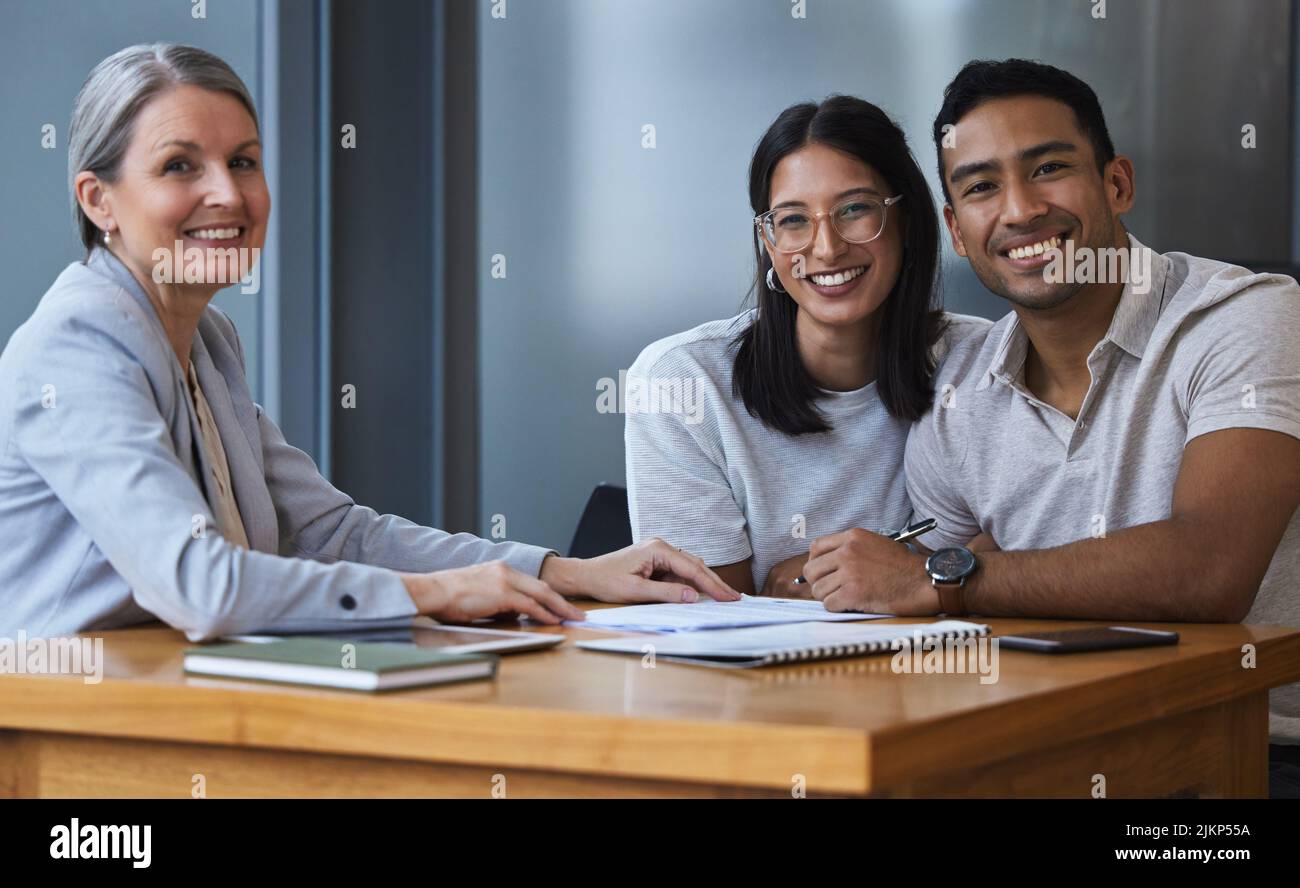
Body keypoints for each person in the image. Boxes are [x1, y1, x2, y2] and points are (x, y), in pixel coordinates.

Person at [0, 43, 737, 644]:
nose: (227, 194)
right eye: (179, 165)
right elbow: (201, 584)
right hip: (65, 730)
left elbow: (330, 532)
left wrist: (558, 570)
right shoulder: (79, 342)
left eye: (244, 161)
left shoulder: (207, 339)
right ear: (99, 202)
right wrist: (433, 594)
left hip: (177, 700)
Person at [798, 59, 1300, 792]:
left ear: (1117, 183)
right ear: (958, 232)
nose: (1021, 209)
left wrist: (943, 582)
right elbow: (934, 585)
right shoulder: (959, 395)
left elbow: (1211, 570)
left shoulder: (1246, 317)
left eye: (1049, 168)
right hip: (1052, 753)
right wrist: (836, 584)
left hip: (1258, 758)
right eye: (980, 187)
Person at [625, 95, 988, 596]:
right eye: (794, 220)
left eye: (855, 209)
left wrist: (896, 571)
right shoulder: (684, 382)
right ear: (768, 243)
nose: (826, 247)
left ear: (906, 221)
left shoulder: (982, 361)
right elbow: (708, 619)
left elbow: (1027, 544)